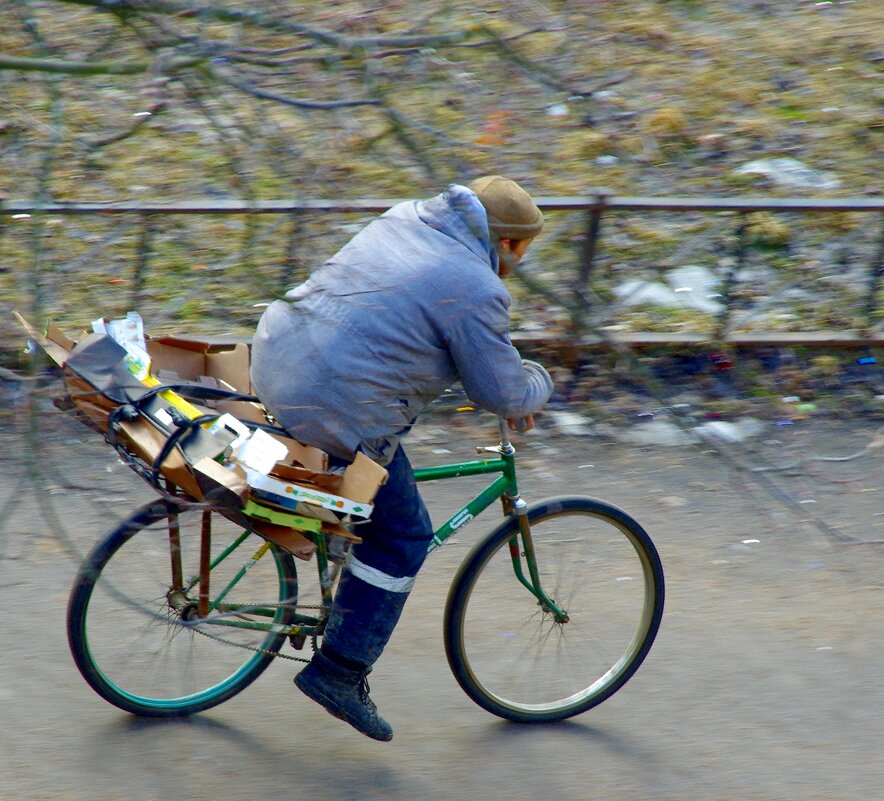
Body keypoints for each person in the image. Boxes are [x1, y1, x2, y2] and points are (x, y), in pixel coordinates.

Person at [250, 175, 553, 741]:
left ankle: (340, 544)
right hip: (332, 401)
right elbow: (502, 394)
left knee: (370, 495)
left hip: (274, 356)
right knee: (404, 535)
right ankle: (339, 673)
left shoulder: (406, 217)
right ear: (508, 242)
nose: (520, 261)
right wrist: (537, 383)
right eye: (524, 249)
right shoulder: (476, 285)